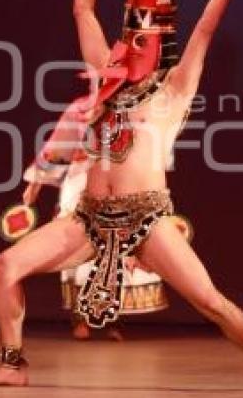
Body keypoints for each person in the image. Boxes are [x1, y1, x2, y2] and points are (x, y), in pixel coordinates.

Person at [0, 0, 243, 392]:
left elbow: (205, 32)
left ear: (160, 43)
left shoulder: (174, 90)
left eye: (142, 37)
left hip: (146, 219)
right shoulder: (106, 79)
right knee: (5, 266)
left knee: (209, 300)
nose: (131, 43)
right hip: (88, 218)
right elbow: (82, 11)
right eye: (130, 34)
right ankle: (13, 363)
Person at [20, 116, 168, 341]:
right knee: (78, 253)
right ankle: (80, 319)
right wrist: (35, 184)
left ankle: (111, 321)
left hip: (117, 186)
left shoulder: (131, 113)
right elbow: (55, 150)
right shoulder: (83, 112)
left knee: (115, 250)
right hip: (80, 184)